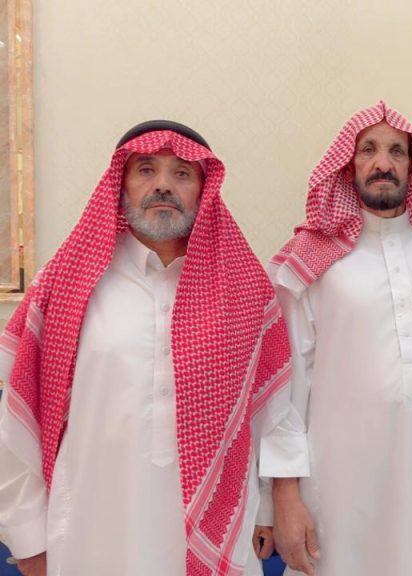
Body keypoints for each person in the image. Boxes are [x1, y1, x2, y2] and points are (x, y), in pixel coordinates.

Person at [0, 120, 292, 575]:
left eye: (182, 173)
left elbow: (273, 415)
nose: (163, 185)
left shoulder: (244, 290)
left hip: (215, 536)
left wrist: (270, 510)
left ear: (204, 190)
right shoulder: (67, 284)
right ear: (121, 184)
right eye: (146, 169)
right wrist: (28, 539)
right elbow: (20, 421)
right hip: (88, 538)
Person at [264, 101, 412, 575]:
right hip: (336, 493)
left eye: (396, 151)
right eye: (368, 150)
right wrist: (284, 497)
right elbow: (286, 386)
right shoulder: (312, 267)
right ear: (348, 165)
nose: (383, 163)